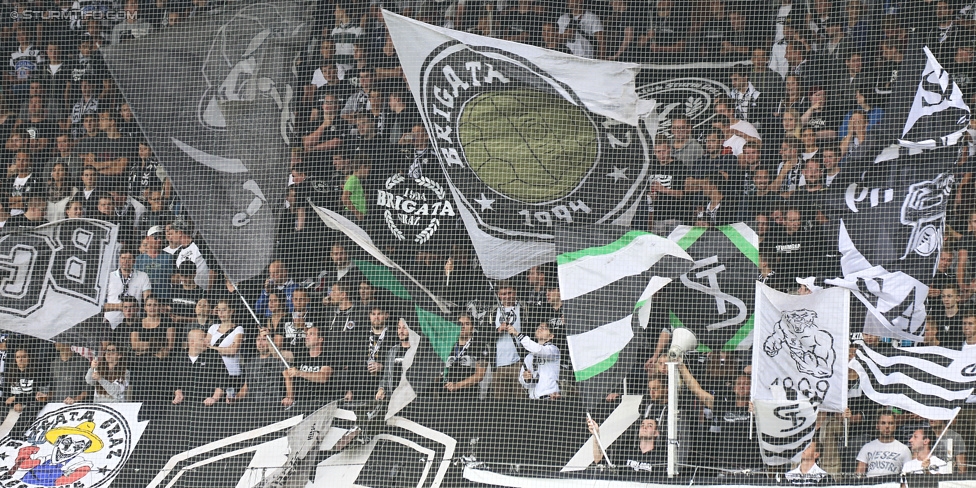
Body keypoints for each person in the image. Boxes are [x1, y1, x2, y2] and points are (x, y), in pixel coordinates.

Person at [282, 326, 335, 412]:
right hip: (300, 403)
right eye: (307, 334)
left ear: (320, 339)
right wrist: (290, 397)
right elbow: (287, 372)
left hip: (320, 404)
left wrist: (300, 373)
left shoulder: (327, 357)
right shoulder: (301, 356)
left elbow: (324, 377)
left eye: (311, 334)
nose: (307, 337)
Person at [587, 415, 666, 471]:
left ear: (656, 433)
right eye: (642, 425)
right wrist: (596, 434)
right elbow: (598, 460)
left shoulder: (660, 457)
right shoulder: (626, 452)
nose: (644, 427)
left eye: (649, 426)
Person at [506, 321, 560, 400]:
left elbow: (539, 350)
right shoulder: (529, 356)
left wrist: (517, 334)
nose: (540, 329)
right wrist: (526, 379)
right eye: (539, 327)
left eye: (544, 328)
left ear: (551, 336)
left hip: (549, 398)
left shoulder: (553, 350)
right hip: (533, 399)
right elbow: (523, 382)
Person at [442, 313, 488, 400]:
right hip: (446, 395)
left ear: (472, 327)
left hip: (468, 398)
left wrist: (457, 385)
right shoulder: (448, 345)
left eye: (467, 324)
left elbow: (480, 375)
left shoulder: (479, 345)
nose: (462, 327)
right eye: (460, 324)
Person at [855, 409, 912, 477]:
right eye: (883, 423)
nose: (887, 426)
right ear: (877, 426)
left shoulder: (904, 449)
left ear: (895, 426)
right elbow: (859, 475)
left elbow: (908, 477)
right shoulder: (867, 447)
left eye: (890, 423)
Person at [207, 300, 245, 397]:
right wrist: (225, 349)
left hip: (232, 374)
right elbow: (206, 348)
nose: (221, 313)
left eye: (224, 310)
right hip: (214, 373)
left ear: (231, 311)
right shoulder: (213, 328)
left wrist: (213, 348)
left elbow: (233, 351)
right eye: (219, 310)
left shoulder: (238, 329)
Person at [492, 281, 523, 399]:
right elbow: (484, 335)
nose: (507, 296)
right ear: (499, 295)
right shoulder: (493, 311)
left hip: (519, 362)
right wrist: (498, 330)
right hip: (498, 364)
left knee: (521, 400)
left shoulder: (524, 308)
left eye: (509, 293)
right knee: (500, 403)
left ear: (515, 292)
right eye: (503, 294)